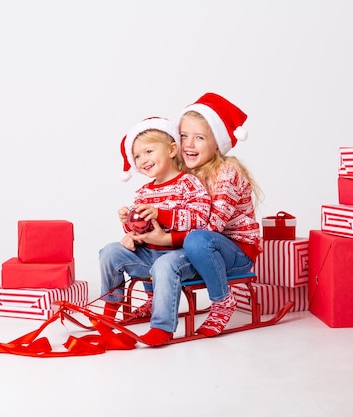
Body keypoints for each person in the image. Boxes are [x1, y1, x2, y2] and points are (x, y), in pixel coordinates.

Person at [98, 117, 211, 344]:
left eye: (148, 151)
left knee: (164, 264)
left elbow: (201, 219)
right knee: (109, 251)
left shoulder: (188, 183)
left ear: (171, 150)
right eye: (137, 156)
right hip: (149, 256)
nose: (142, 160)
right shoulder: (143, 192)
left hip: (181, 256)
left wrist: (161, 214)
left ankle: (162, 327)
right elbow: (143, 228)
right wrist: (130, 231)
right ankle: (111, 307)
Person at [179, 92, 263, 337]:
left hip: (237, 250)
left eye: (199, 138)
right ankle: (156, 299)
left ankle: (222, 301)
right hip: (204, 246)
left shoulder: (227, 173)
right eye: (184, 136)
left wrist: (170, 229)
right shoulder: (186, 174)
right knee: (153, 244)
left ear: (217, 143)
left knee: (196, 239)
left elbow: (212, 227)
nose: (188, 144)